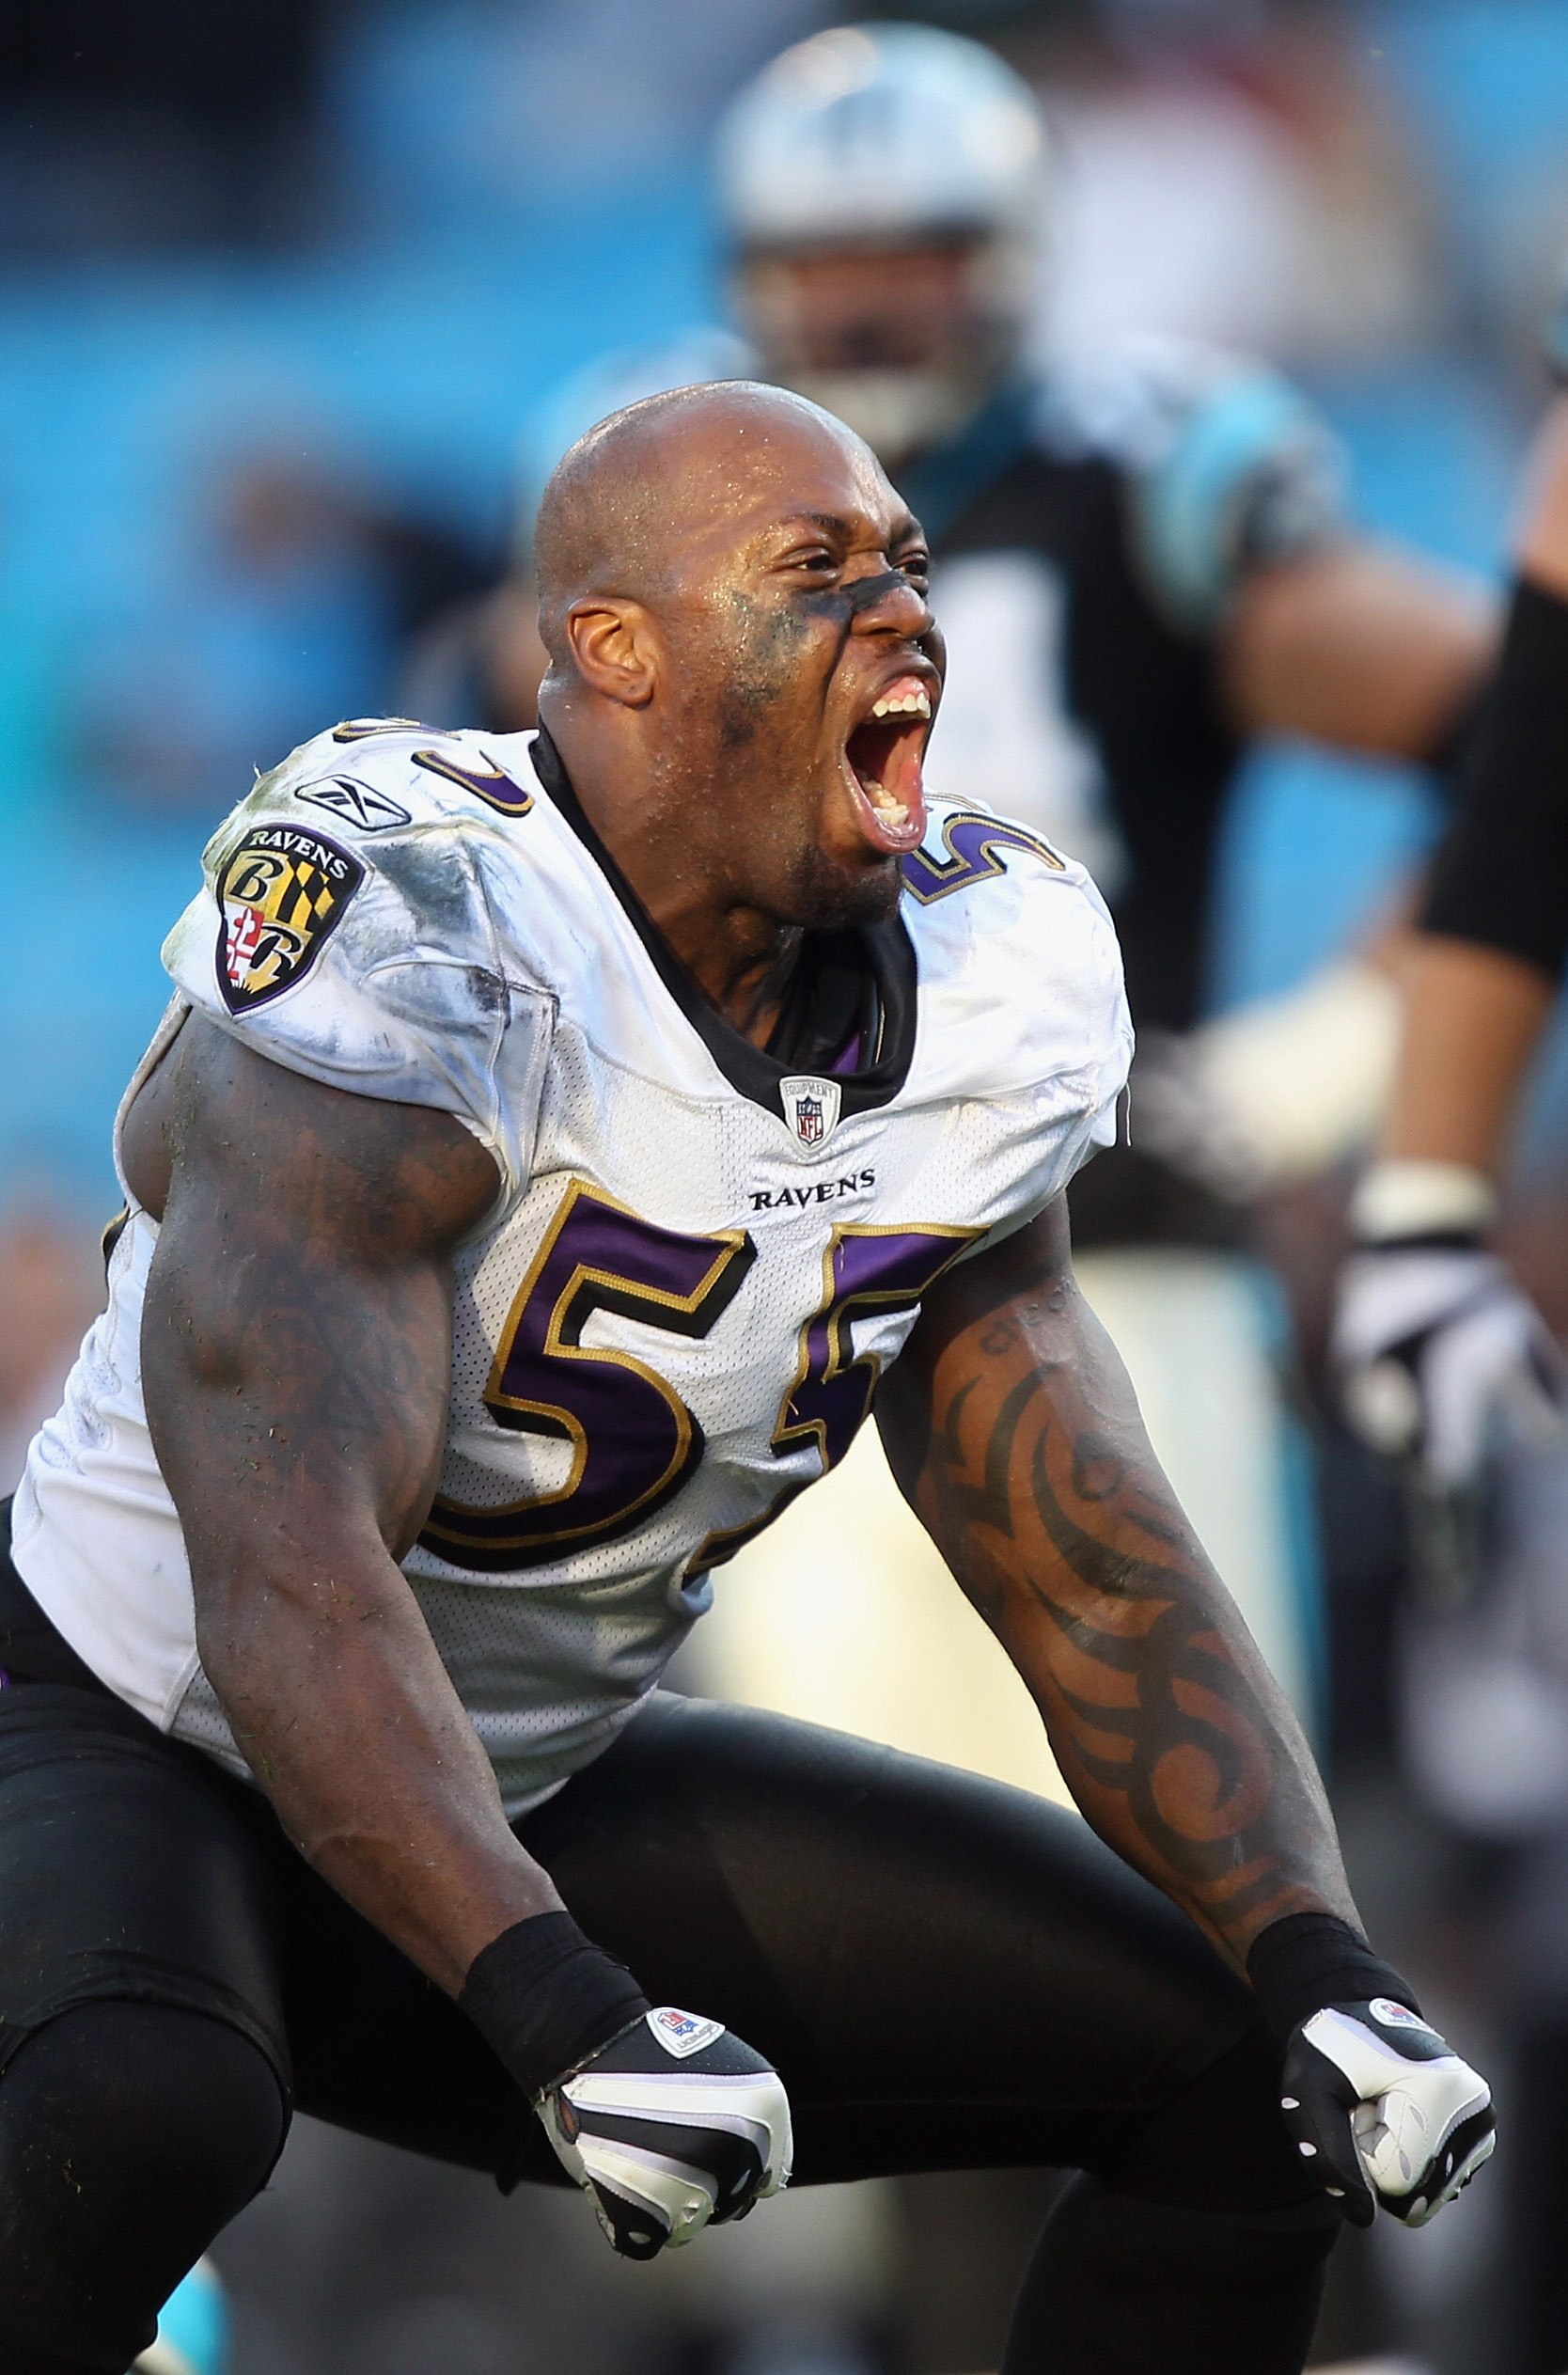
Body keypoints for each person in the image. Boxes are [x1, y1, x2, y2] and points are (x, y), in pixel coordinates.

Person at [0, 382, 1490, 2375]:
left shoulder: (990, 966)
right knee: (133, 2112)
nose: (903, 612)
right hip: (136, 1731)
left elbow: (1085, 1550)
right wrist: (559, 2009)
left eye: (910, 566)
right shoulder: (422, 921)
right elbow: (289, 1578)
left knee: (1249, 2082)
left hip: (535, 1768)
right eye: (818, 571)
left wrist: (1322, 1955)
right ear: (614, 652)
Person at [422, 24, 1498, 1754]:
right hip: (779, 1263)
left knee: (1183, 1869)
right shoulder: (656, 482)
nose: (861, 311)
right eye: (820, 264)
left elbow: (1515, 733)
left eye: (914, 257)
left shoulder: (1134, 474)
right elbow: (470, 767)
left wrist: (1319, 1068)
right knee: (861, 1879)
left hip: (1115, 1247)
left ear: (1010, 260)